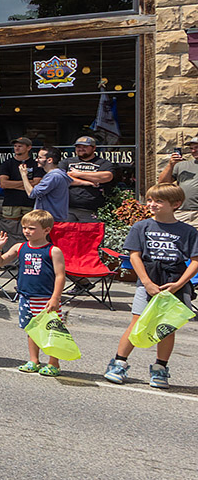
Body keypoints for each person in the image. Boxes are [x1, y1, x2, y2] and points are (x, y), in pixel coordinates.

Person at [102, 184, 198, 388]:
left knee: (167, 327)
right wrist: (146, 282)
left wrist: (179, 284)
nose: (152, 204)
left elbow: (195, 260)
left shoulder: (188, 231)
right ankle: (119, 363)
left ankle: (160, 368)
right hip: (148, 278)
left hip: (174, 280)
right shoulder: (141, 227)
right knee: (137, 322)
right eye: (150, 200)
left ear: (175, 205)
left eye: (158, 201)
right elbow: (134, 255)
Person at [0, 210, 66, 376]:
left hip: (46, 297)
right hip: (26, 296)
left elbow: (60, 275)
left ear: (47, 230)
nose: (26, 231)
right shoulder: (20, 247)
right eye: (24, 227)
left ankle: (53, 363)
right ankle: (34, 360)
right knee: (31, 329)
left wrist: (55, 297)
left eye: (32, 228)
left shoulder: (53, 251)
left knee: (51, 331)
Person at [64, 135, 115, 222]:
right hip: (68, 208)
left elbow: (107, 176)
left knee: (89, 234)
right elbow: (62, 179)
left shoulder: (103, 163)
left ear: (94, 148)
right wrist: (88, 182)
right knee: (68, 235)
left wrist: (78, 174)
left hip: (91, 209)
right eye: (78, 147)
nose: (81, 149)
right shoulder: (67, 162)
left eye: (85, 147)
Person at [0, 137, 35, 237]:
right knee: (9, 229)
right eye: (15, 146)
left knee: (30, 229)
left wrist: (12, 184)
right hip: (11, 202)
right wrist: (26, 184)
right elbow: (3, 184)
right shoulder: (7, 164)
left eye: (20, 146)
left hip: (30, 202)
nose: (17, 148)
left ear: (29, 148)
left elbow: (37, 183)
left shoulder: (35, 164)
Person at [155, 136, 198, 225]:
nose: (193, 151)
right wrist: (171, 165)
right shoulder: (181, 165)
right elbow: (162, 184)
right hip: (182, 212)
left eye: (197, 148)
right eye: (191, 148)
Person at [22, 147, 72, 223]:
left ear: (49, 160)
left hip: (48, 220)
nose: (36, 160)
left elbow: (32, 193)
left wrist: (23, 175)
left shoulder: (53, 176)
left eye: (40, 157)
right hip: (55, 218)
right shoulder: (59, 175)